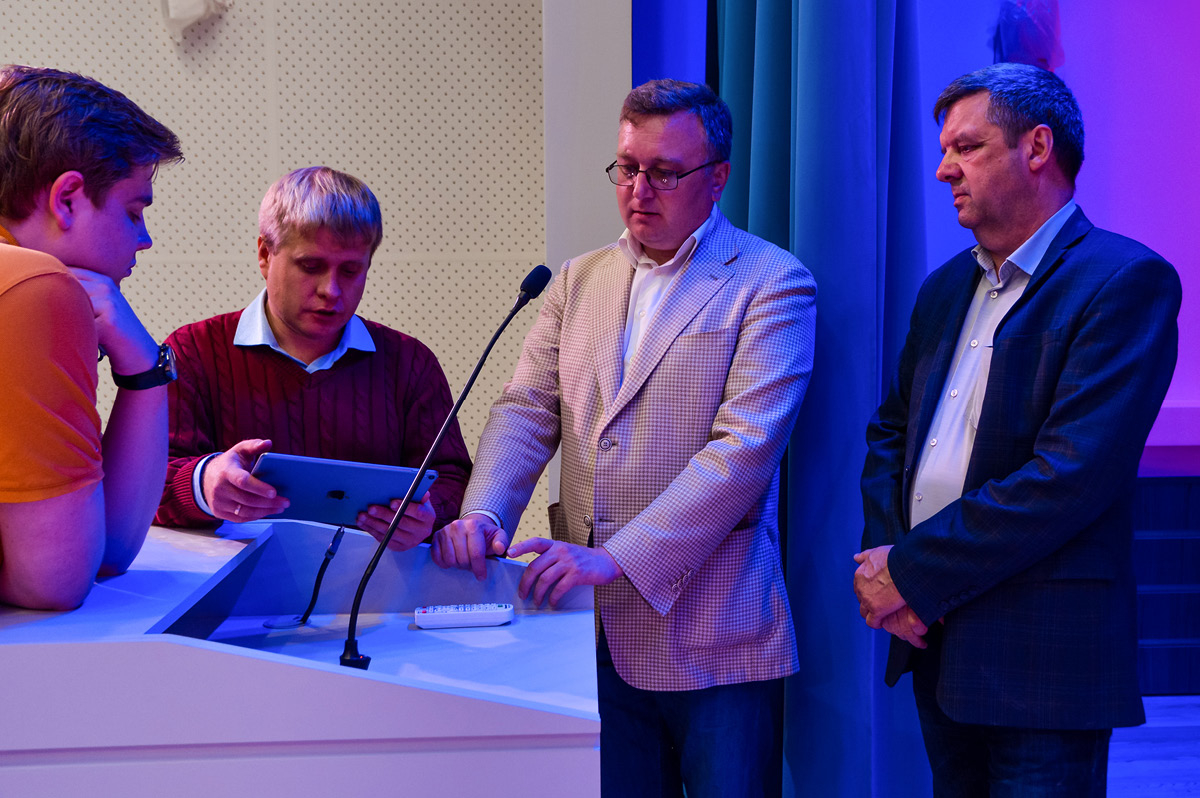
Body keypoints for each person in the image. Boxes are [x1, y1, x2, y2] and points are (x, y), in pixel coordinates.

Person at [432, 79, 816, 795]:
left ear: (718, 178)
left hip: (715, 633)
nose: (639, 190)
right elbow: (526, 408)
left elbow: (742, 453)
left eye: (664, 172)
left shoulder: (772, 283)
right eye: (628, 167)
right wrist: (485, 513)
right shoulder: (576, 280)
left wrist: (616, 558)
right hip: (593, 630)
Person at [855, 62, 1180, 795]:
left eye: (966, 147)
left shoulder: (1124, 280)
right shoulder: (946, 286)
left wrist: (910, 571)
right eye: (944, 150)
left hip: (1043, 655)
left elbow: (1070, 476)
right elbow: (891, 433)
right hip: (934, 633)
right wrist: (887, 561)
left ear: (1036, 148)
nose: (944, 169)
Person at [155, 166, 471, 549]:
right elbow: (142, 479)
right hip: (233, 581)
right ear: (264, 255)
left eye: (350, 270)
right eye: (311, 266)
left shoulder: (410, 364)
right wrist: (202, 483)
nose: (331, 290)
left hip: (374, 582)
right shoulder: (193, 351)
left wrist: (429, 514)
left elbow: (452, 477)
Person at [0, 65, 183, 610]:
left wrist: (144, 367)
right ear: (68, 199)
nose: (145, 240)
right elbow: (59, 580)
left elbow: (104, 549)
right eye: (134, 212)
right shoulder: (35, 288)